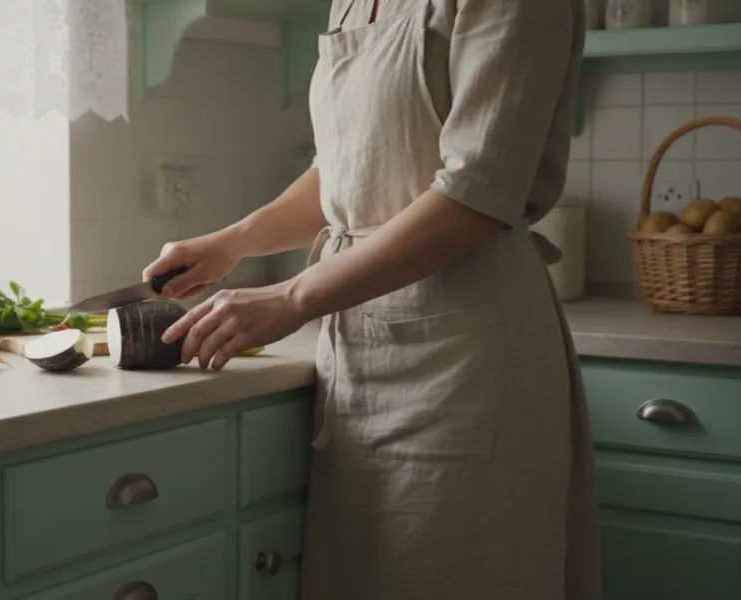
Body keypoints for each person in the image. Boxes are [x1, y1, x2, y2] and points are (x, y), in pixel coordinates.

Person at [142, 0, 601, 597]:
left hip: (468, 368)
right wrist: (234, 242)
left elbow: (477, 192)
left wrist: (291, 296)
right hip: (359, 364)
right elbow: (347, 166)